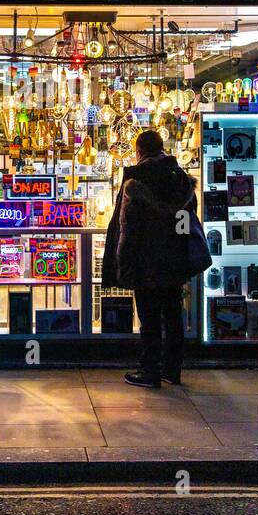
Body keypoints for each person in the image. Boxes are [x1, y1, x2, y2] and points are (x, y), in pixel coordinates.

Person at [101, 129, 198, 388]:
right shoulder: (182, 181)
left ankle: (150, 370)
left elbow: (128, 228)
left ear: (139, 151)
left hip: (146, 262)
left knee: (150, 318)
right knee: (173, 315)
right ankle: (173, 369)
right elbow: (188, 221)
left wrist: (122, 262)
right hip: (175, 260)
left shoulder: (136, 183)